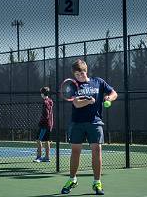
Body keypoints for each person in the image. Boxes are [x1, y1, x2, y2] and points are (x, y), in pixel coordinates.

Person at [61, 59, 118, 195]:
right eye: (76, 74)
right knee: (75, 152)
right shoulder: (73, 86)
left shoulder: (98, 82)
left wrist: (109, 98)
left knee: (96, 151)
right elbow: (76, 104)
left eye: (81, 73)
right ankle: (72, 179)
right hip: (77, 123)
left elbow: (114, 93)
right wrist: (89, 101)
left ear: (86, 71)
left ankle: (97, 183)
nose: (79, 76)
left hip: (95, 122)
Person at [33, 87, 54, 163]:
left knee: (38, 140)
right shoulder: (50, 101)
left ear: (42, 94)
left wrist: (41, 121)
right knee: (46, 140)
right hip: (49, 124)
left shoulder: (45, 102)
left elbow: (46, 115)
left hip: (44, 125)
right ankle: (47, 157)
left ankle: (39, 157)